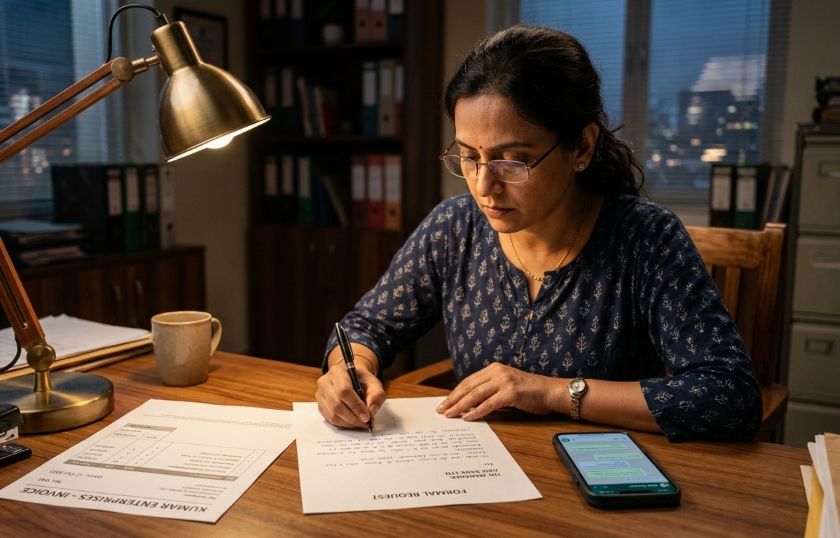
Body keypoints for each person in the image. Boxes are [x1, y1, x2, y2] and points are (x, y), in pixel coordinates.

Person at [315, 25, 762, 442]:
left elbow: (729, 395)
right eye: (468, 157)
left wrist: (551, 393)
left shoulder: (646, 239)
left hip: (604, 482)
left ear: (581, 148)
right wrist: (349, 370)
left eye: (512, 161)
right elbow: (366, 327)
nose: (483, 186)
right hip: (482, 474)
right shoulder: (454, 227)